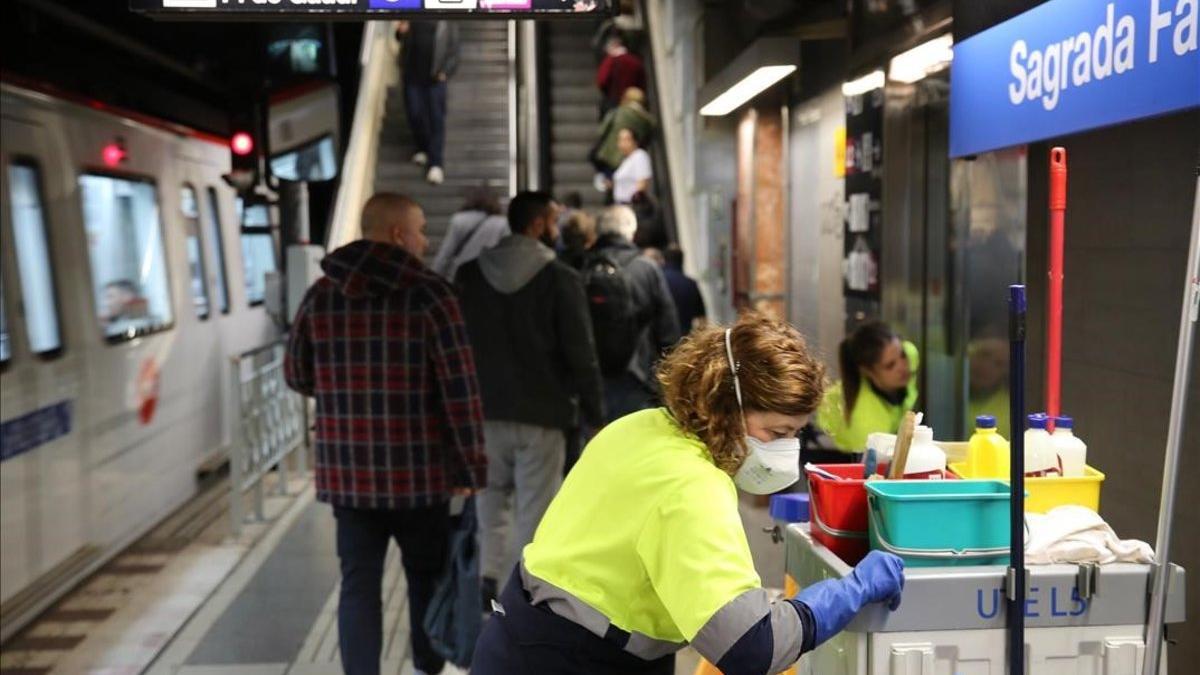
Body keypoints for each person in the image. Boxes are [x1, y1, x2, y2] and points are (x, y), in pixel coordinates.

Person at [473, 313, 906, 674]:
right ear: (725, 406)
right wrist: (850, 592)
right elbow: (752, 647)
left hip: (523, 636)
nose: (784, 450)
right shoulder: (692, 485)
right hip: (571, 661)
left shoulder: (640, 425)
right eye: (776, 432)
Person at [284, 193, 488, 675]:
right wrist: (470, 467)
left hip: (349, 477)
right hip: (420, 476)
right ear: (398, 235)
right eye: (420, 229)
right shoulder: (433, 296)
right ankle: (424, 668)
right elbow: (460, 390)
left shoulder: (322, 295)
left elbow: (295, 373)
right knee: (423, 579)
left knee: (358, 585)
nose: (425, 239)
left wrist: (340, 397)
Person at [455, 191, 606, 613]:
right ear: (539, 224)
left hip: (484, 413)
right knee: (535, 512)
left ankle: (488, 585)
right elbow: (582, 353)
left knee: (490, 505)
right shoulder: (560, 278)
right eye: (553, 221)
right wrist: (595, 414)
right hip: (544, 415)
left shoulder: (468, 275)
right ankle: (519, 600)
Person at [589, 206, 679, 421]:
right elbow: (668, 331)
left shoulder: (582, 266)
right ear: (631, 231)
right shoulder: (646, 269)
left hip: (591, 377)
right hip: (637, 375)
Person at [815, 321, 919, 455]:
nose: (903, 366)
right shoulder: (865, 421)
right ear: (868, 371)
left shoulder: (909, 354)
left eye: (902, 355)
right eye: (890, 365)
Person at [397, 20, 460, 186]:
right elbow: (399, 39)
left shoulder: (447, 22)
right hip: (412, 77)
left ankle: (436, 164)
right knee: (414, 112)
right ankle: (423, 147)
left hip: (435, 79)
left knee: (436, 119)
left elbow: (454, 51)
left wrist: (445, 71)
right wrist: (401, 31)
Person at [431, 186, 510, 280]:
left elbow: (445, 255)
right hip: (488, 279)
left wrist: (433, 277)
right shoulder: (502, 223)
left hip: (460, 277)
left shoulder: (459, 220)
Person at [591, 87, 657, 184]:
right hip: (629, 158)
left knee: (610, 184)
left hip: (609, 156)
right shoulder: (647, 121)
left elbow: (601, 130)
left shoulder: (618, 112)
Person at [595, 32, 645, 120]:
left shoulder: (609, 61)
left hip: (615, 102)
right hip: (632, 103)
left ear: (612, 46)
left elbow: (602, 81)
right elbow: (642, 82)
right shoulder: (635, 61)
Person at [660, 244, 707, 336]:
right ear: (682, 260)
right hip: (684, 340)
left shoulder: (659, 281)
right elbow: (702, 319)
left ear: (664, 260)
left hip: (662, 340)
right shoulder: (691, 284)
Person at [610, 128, 653, 205]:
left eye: (626, 139)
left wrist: (637, 201)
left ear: (635, 141)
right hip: (621, 204)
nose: (622, 143)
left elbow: (642, 181)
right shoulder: (625, 159)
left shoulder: (639, 155)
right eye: (620, 140)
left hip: (632, 204)